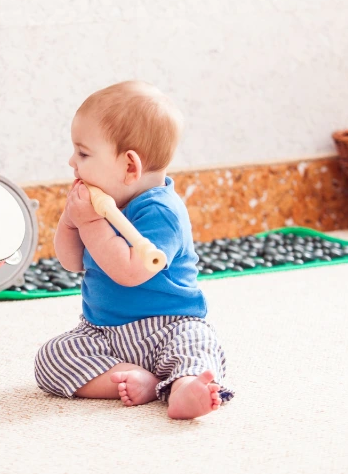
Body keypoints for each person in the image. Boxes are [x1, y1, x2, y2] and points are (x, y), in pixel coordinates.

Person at [34, 80, 233, 419]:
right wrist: (72, 221)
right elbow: (70, 262)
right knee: (50, 359)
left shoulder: (162, 211)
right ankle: (139, 380)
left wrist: (92, 224)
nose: (72, 162)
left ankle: (184, 387)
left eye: (83, 153)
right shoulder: (98, 206)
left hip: (170, 326)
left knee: (197, 346)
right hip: (103, 332)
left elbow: (129, 272)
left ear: (130, 167)